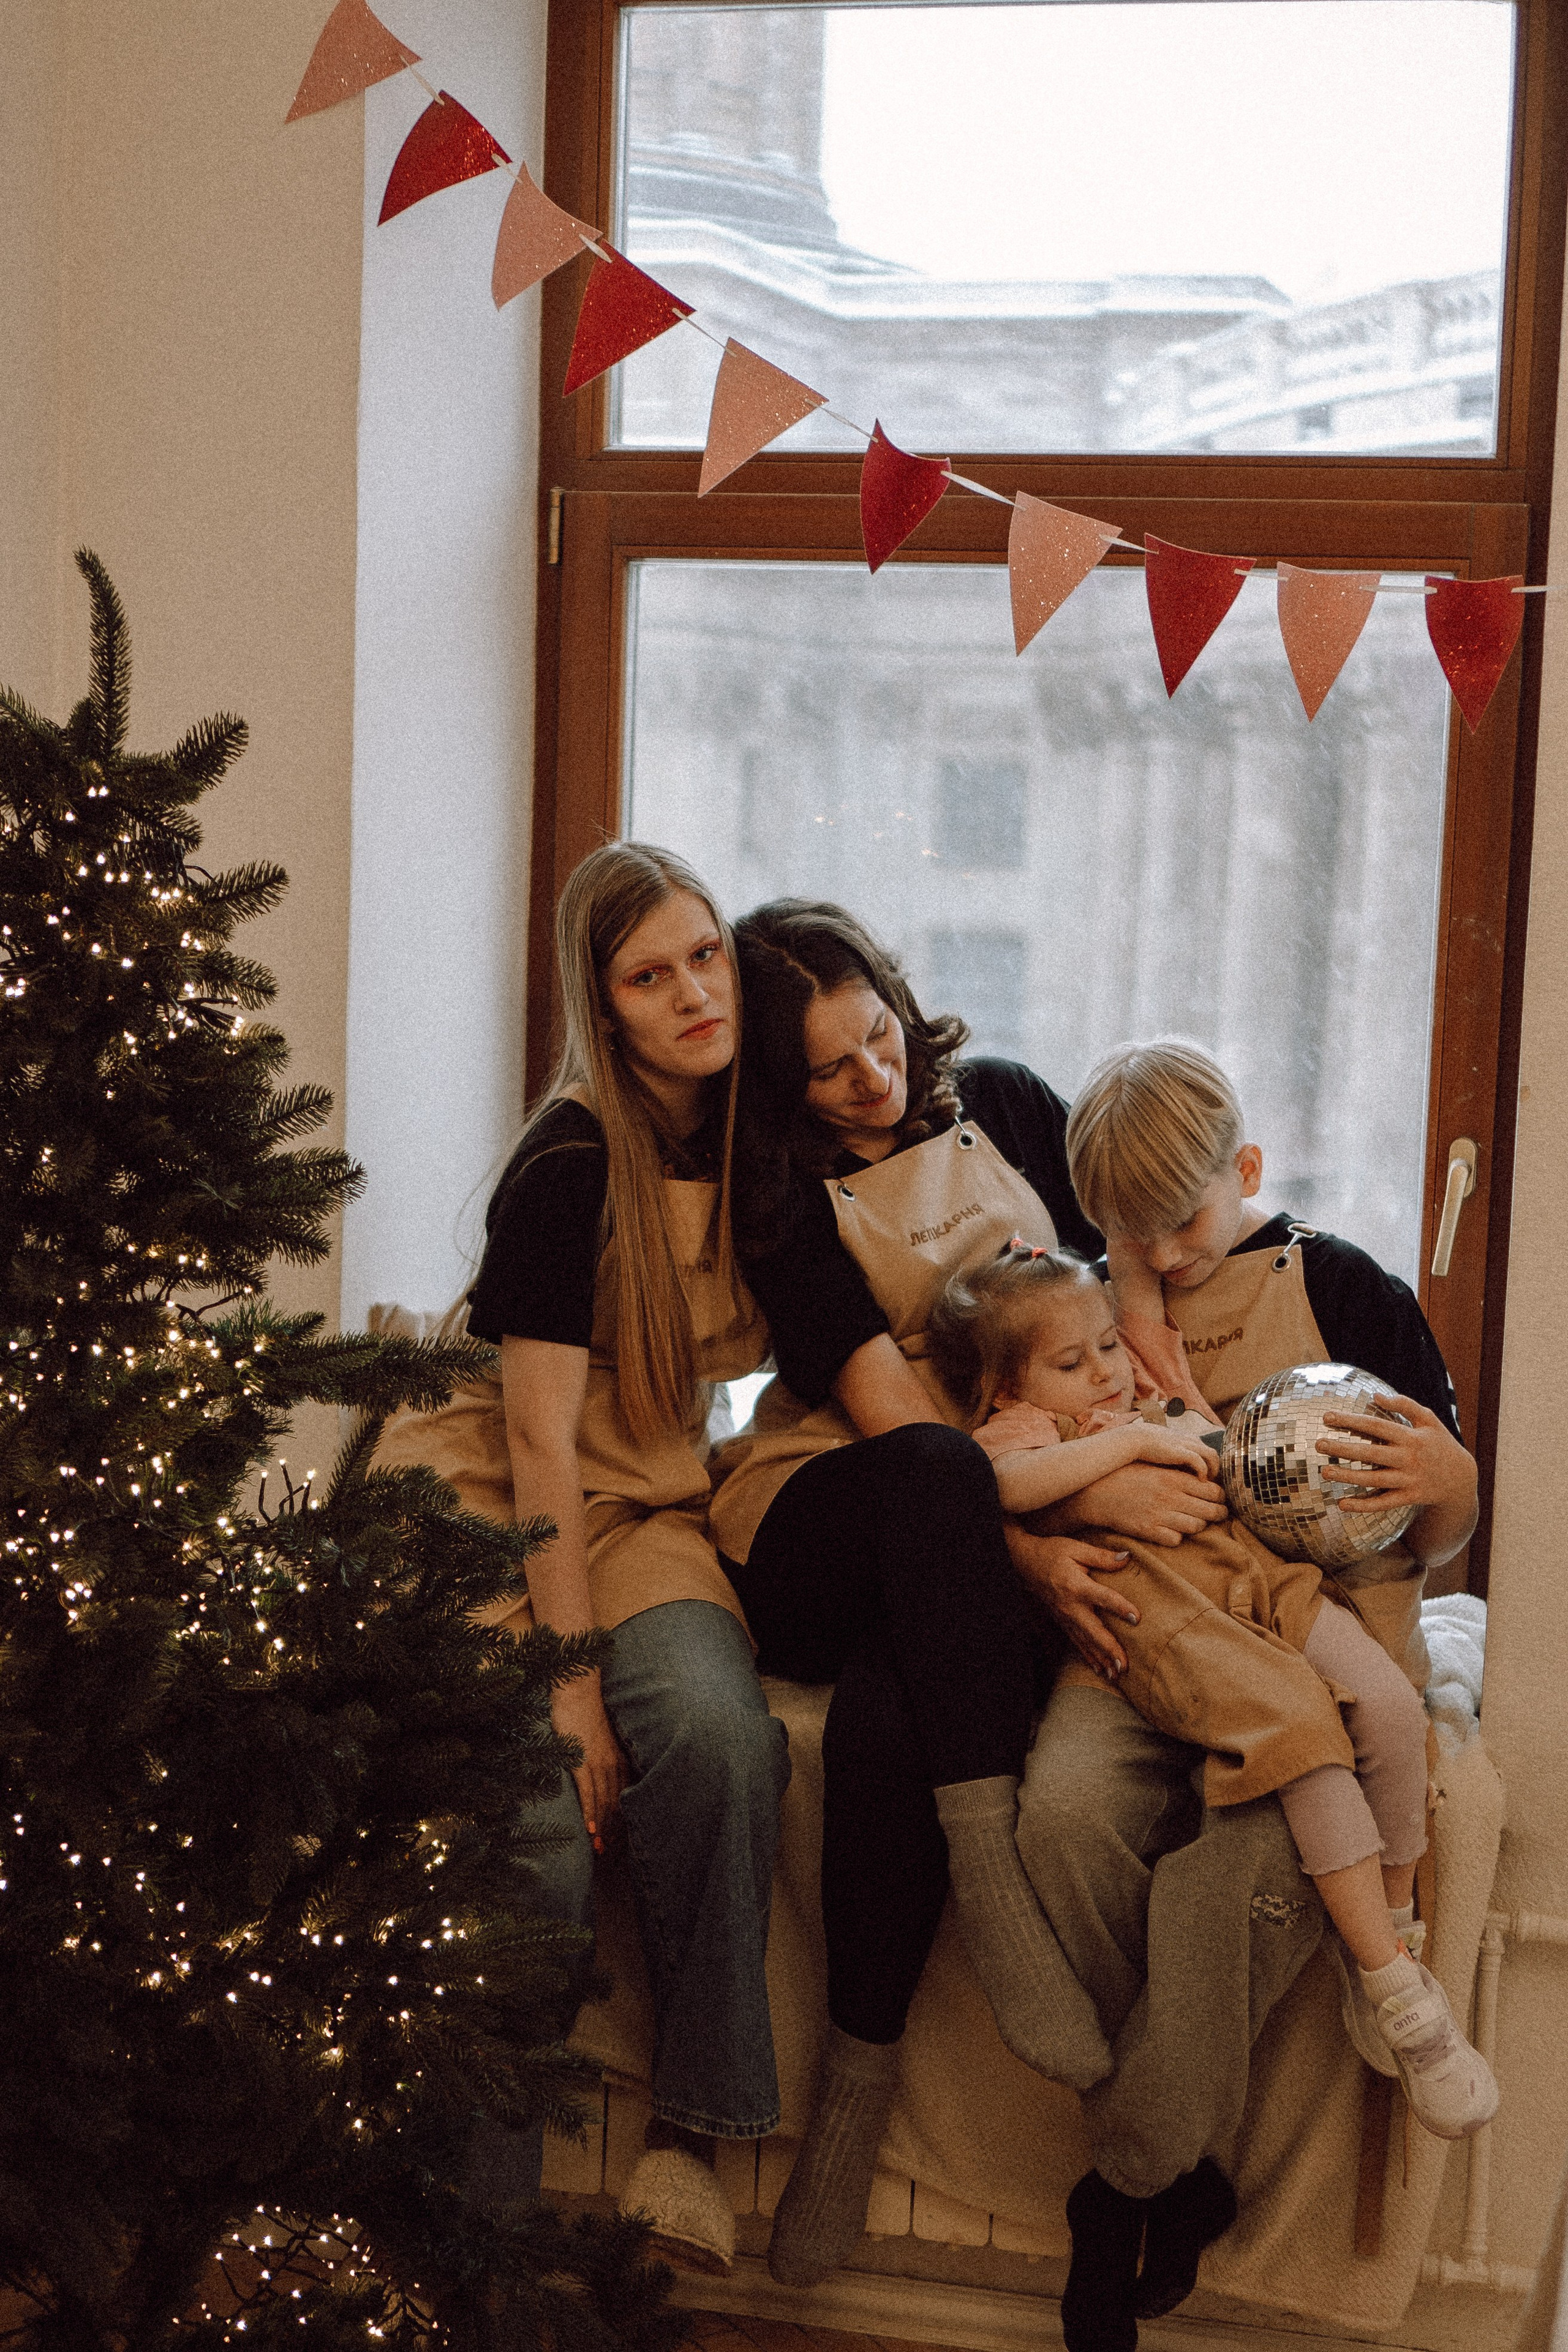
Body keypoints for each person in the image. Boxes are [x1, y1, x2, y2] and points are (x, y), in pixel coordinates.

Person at [711, 899, 1190, 2291]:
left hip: (993, 1506)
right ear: (775, 1089)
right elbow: (908, 1432)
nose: (874, 1078)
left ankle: (847, 2112)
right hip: (839, 1507)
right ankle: (994, 1887)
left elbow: (1120, 1300)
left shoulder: (1008, 1104)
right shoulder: (785, 1210)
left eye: (878, 1034)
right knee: (928, 1466)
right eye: (830, 1070)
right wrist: (1031, 1556)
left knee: (886, 1715)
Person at [1012, 1040, 1481, 2352]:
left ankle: (1129, 2182)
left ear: (1250, 1173)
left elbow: (1444, 1521)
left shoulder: (1341, 1292)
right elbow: (1004, 1450)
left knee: (1218, 1891)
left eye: (1185, 1223)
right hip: (1148, 1638)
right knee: (1056, 1818)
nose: (1160, 1259)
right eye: (1126, 1232)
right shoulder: (1090, 1304)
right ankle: (1192, 2149)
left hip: (1317, 1651)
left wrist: (1441, 1482)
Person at [929, 1237, 1496, 2130]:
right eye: (1072, 1363)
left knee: (1387, 1709)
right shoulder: (1030, 1431)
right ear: (1008, 1390)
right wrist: (1131, 1449)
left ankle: (1384, 1949)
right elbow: (999, 1482)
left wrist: (1192, 1423)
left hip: (1267, 1586)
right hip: (1174, 1622)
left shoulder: (1149, 1397)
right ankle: (1403, 2000)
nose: (1106, 1373)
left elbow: (1231, 1466)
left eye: (1109, 1344)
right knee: (1306, 1737)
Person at [461, 842, 791, 2276]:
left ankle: (690, 2140)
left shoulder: (745, 1140)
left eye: (705, 955)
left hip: (651, 1509)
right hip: (503, 1514)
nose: (691, 995)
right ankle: (473, 2227)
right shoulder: (567, 1164)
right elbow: (536, 1443)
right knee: (537, 1821)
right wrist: (571, 1684)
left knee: (723, 1739)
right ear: (603, 1007)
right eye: (649, 977)